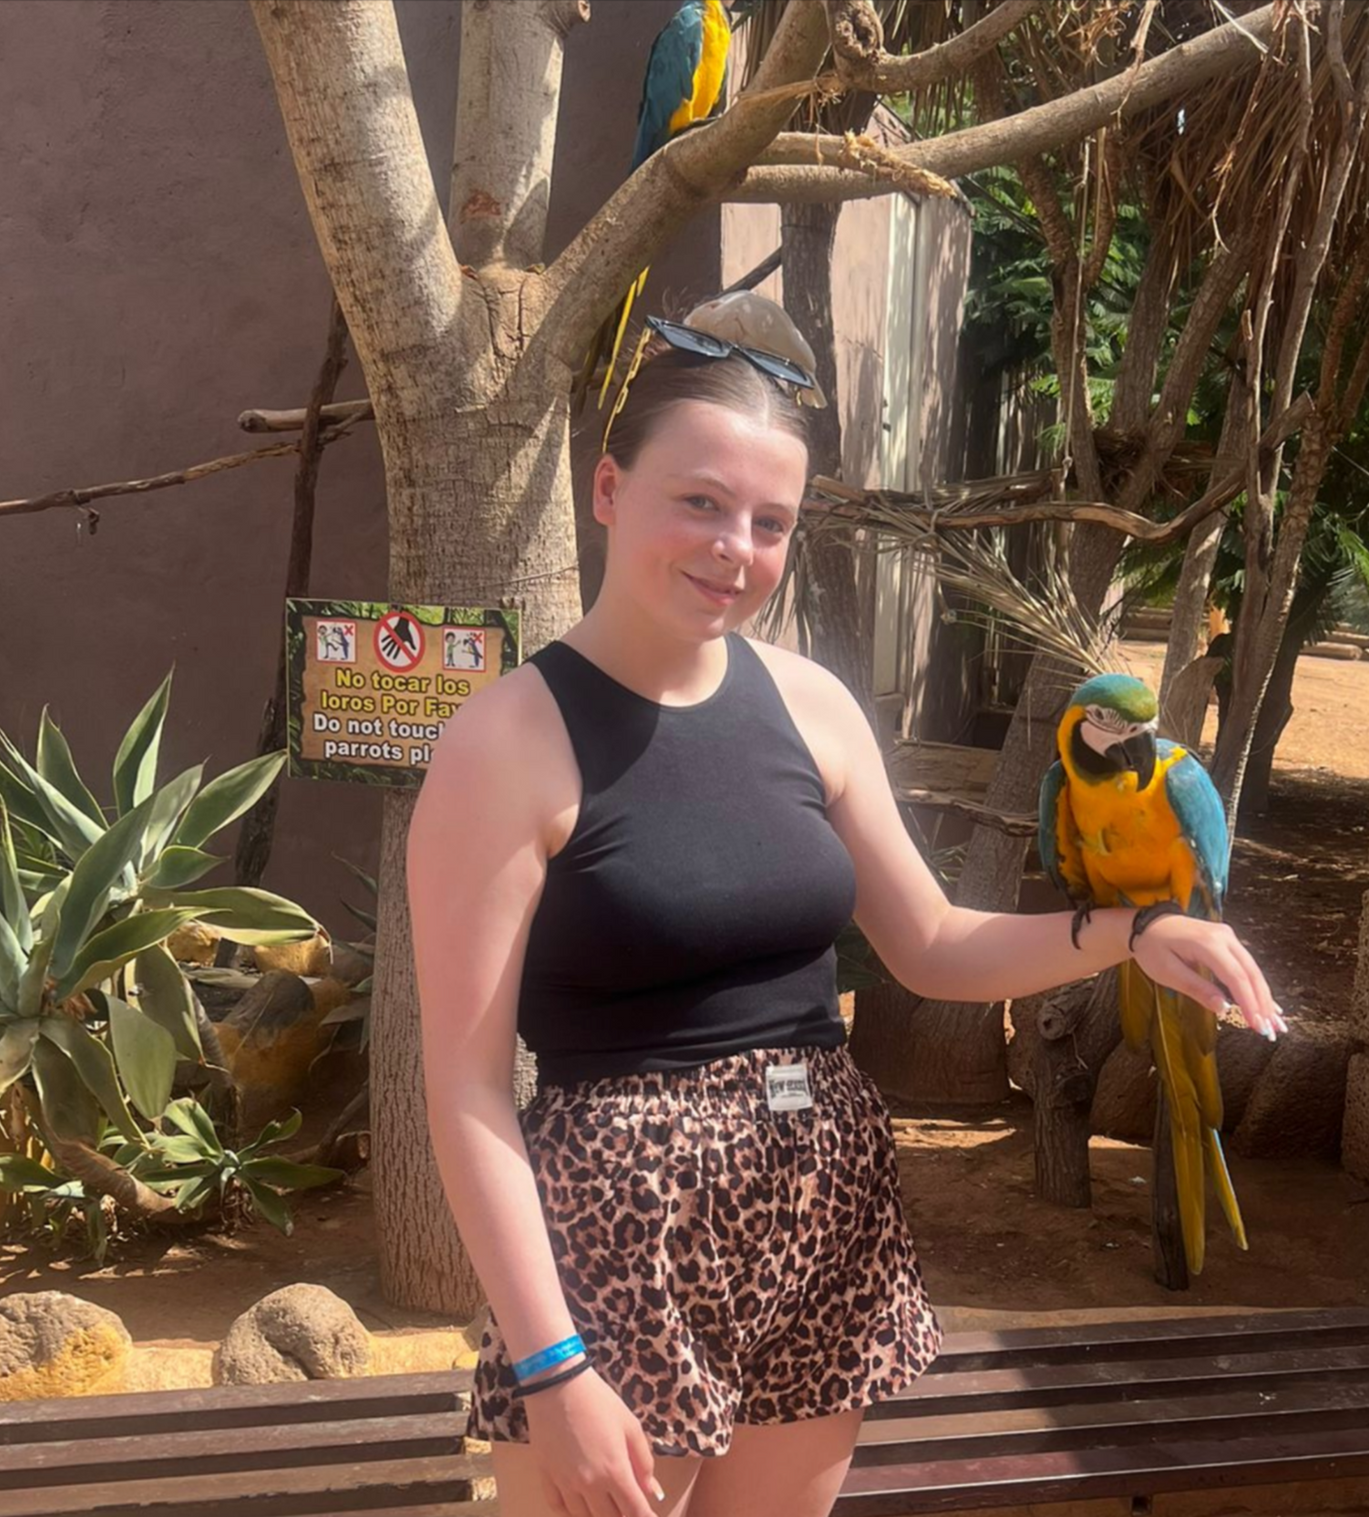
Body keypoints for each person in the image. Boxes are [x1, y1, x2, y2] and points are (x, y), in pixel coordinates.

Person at [406, 298, 1287, 1517]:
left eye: (771, 521)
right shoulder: (506, 742)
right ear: (607, 489)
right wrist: (555, 1364)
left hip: (822, 1196)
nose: (736, 548)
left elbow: (931, 943)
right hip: (619, 1239)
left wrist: (1136, 931)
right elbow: (464, 1084)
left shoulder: (812, 706)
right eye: (701, 502)